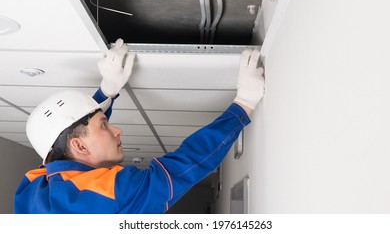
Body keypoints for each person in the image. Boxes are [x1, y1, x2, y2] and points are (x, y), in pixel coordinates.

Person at [14, 38, 265, 214]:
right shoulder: (115, 194)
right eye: (105, 126)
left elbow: (62, 146)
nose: (117, 130)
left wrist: (105, 93)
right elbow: (185, 165)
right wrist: (243, 105)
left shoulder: (32, 188)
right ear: (78, 145)